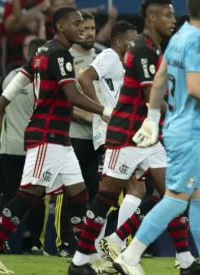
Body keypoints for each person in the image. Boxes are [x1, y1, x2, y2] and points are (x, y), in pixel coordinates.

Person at [0, 7, 115, 275]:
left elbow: (16, 83)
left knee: (79, 194)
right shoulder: (60, 55)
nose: (82, 30)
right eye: (76, 24)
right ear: (60, 27)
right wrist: (108, 112)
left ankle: (89, 257)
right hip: (46, 136)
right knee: (30, 193)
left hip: (60, 139)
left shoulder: (42, 52)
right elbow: (72, 96)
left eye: (84, 26)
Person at [114, 0, 200, 274]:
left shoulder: (178, 38)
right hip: (189, 132)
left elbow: (161, 77)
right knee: (175, 199)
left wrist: (153, 119)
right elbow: (195, 87)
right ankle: (129, 254)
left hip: (183, 129)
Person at [68, 1, 198, 274]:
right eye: (167, 15)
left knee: (171, 194)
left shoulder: (154, 48)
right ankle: (80, 260)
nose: (172, 20)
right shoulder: (140, 48)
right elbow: (152, 96)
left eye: (173, 14)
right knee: (105, 196)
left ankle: (186, 262)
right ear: (151, 17)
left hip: (147, 137)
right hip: (126, 136)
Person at [78, 20, 143, 253]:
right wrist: (102, 111)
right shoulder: (109, 56)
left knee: (110, 192)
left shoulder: (127, 63)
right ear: (118, 42)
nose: (136, 44)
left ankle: (99, 246)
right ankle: (113, 245)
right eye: (132, 40)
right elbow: (85, 77)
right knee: (132, 190)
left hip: (123, 132)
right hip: (112, 133)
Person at [0, 38, 48, 255]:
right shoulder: (47, 81)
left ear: (28, 53)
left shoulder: (10, 78)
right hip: (37, 148)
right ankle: (34, 244)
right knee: (37, 198)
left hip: (10, 148)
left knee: (9, 195)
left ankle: (0, 241)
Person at [51, 11, 99, 257]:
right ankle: (63, 243)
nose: (88, 32)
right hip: (72, 135)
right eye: (84, 27)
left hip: (96, 139)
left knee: (90, 190)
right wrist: (92, 115)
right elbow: (66, 98)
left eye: (92, 28)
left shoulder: (102, 58)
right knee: (65, 192)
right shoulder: (64, 57)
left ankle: (86, 244)